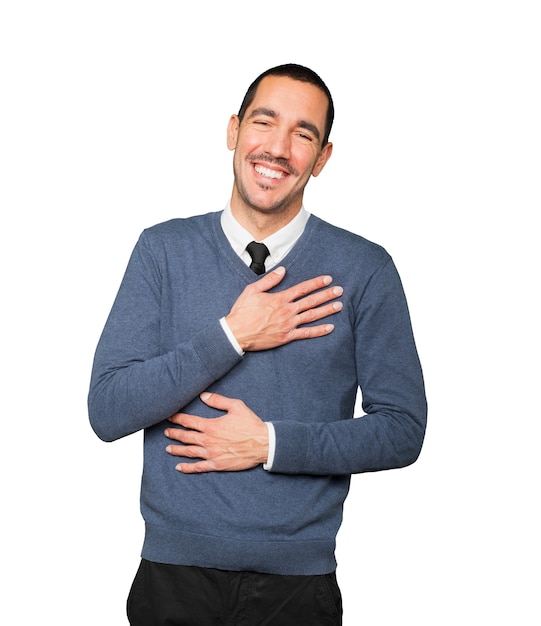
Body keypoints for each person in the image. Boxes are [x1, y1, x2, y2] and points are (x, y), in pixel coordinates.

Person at [88, 63, 427, 625]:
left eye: (303, 134)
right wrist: (233, 335)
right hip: (172, 579)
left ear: (322, 158)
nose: (278, 147)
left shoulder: (366, 269)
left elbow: (402, 430)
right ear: (233, 131)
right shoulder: (162, 251)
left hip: (298, 587)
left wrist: (269, 445)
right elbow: (108, 409)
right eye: (264, 122)